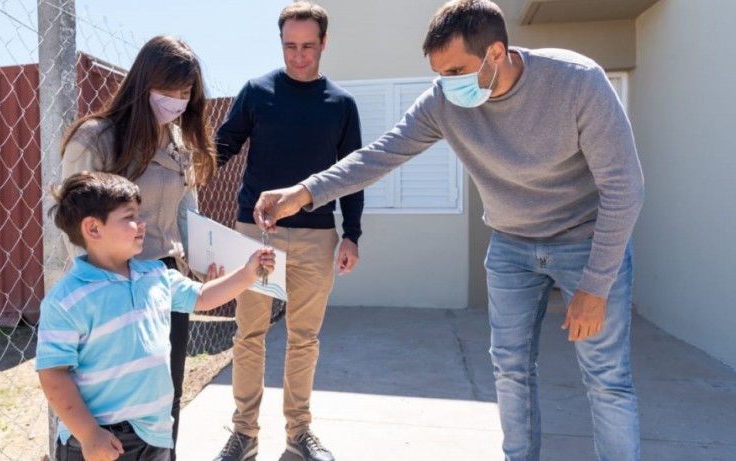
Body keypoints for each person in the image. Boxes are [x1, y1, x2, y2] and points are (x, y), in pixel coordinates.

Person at [254, 1, 645, 460]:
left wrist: (595, 287)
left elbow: (625, 188)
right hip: (511, 245)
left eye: (457, 70)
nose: (447, 83)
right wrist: (303, 192)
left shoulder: (577, 81)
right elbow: (379, 155)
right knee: (510, 369)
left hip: (586, 239)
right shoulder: (445, 100)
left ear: (495, 52)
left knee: (606, 377)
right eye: (440, 73)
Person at [211, 3, 364, 461]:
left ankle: (299, 435)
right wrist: (186, 171)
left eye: (308, 46)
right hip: (257, 235)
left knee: (304, 338)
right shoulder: (257, 92)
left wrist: (352, 233)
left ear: (323, 43)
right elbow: (222, 145)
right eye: (290, 46)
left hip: (317, 237)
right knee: (249, 336)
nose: (299, 56)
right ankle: (244, 434)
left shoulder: (340, 104)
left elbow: (352, 174)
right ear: (281, 43)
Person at [37, 171, 275, 461]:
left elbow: (203, 297)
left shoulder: (156, 275)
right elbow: (53, 375)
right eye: (129, 217)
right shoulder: (67, 300)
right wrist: (88, 434)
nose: (141, 224)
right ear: (93, 229)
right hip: (101, 438)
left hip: (155, 433)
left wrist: (248, 273)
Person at [60, 36, 217, 460]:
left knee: (165, 393)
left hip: (164, 282)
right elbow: (72, 218)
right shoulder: (96, 138)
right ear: (142, 82)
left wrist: (207, 263)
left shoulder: (178, 143)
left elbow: (188, 214)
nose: (177, 102)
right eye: (169, 91)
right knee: (107, 397)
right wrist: (99, 283)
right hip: (107, 285)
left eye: (186, 94)